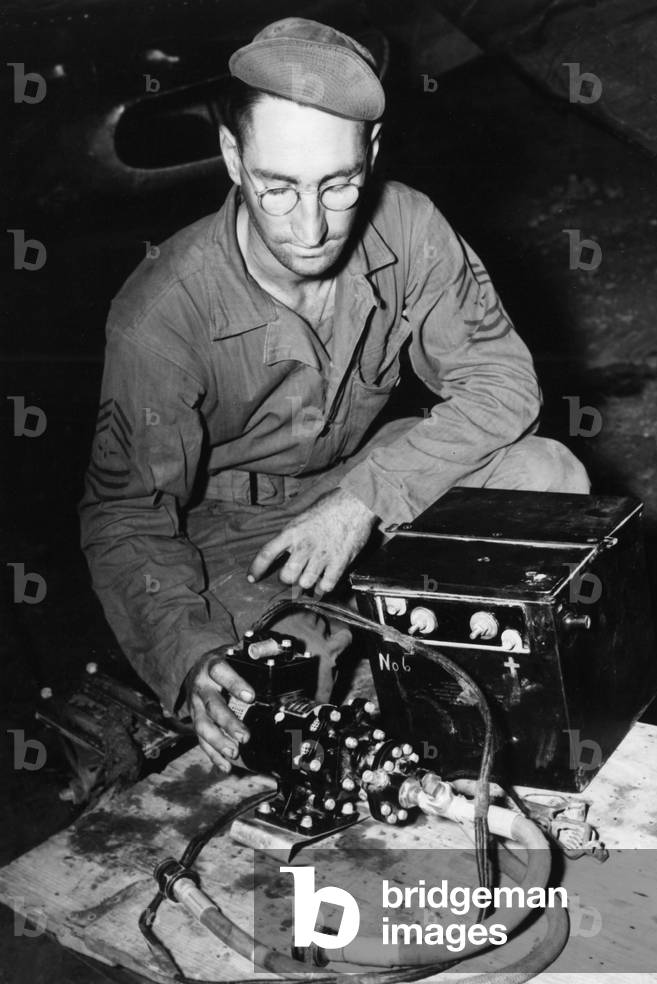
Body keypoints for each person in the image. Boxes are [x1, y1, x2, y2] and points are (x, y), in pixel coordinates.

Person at [79, 17, 590, 773]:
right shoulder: (161, 314)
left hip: (369, 477)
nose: (312, 226)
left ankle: (507, 719)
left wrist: (364, 500)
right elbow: (126, 513)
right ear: (231, 157)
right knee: (279, 704)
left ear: (372, 155)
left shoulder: (409, 224)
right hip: (242, 537)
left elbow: (503, 380)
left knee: (547, 479)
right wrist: (187, 652)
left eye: (340, 184)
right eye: (277, 188)